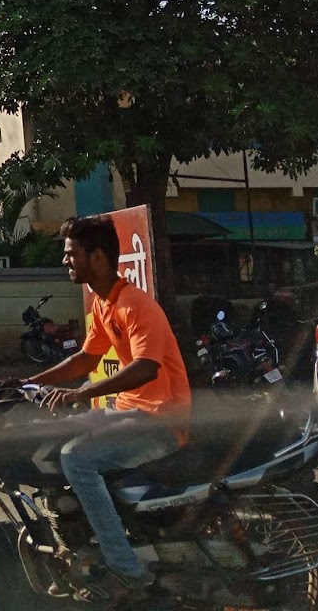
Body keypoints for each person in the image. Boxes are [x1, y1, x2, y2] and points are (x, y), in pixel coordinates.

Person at [24, 216, 190, 606]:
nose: (66, 261)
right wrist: (27, 382)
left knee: (77, 458)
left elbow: (145, 368)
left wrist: (82, 394)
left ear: (97, 257)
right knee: (47, 437)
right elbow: (86, 358)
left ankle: (126, 570)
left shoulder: (136, 305)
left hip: (160, 420)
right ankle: (76, 542)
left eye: (72, 254)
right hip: (127, 411)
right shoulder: (104, 302)